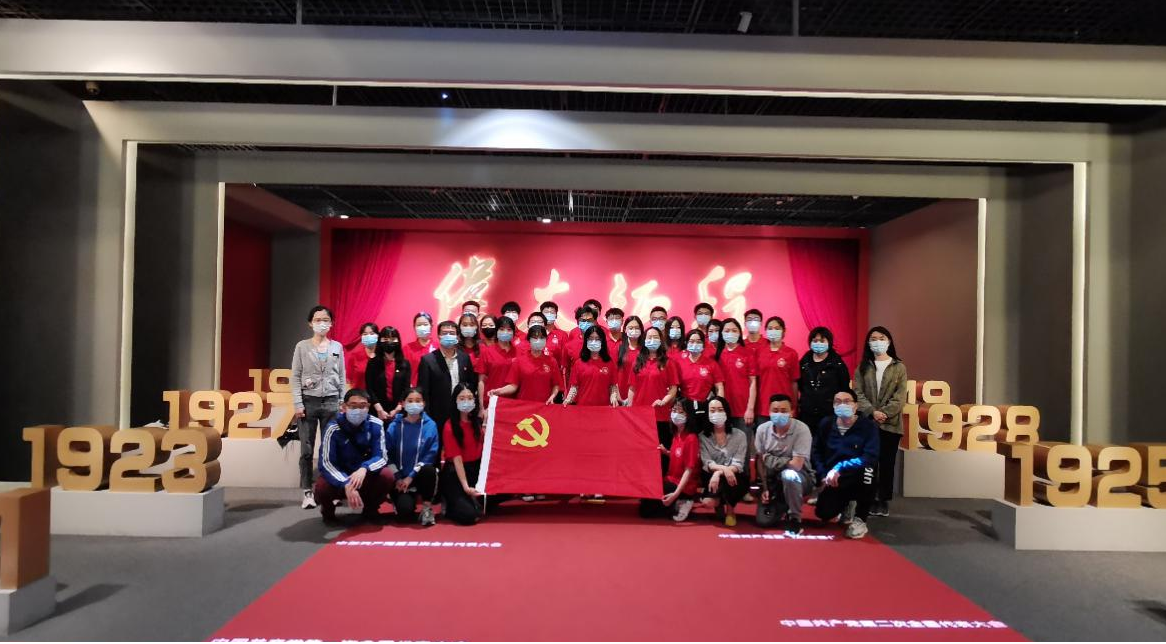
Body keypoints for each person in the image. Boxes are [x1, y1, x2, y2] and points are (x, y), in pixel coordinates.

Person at [291, 305, 346, 510]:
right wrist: (298, 403)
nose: (321, 323)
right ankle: (307, 491)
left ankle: (330, 490)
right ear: (310, 323)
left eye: (325, 320)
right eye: (317, 320)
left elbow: (341, 376)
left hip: (331, 401)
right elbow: (295, 376)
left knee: (330, 448)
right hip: (309, 402)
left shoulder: (337, 347)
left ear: (331, 323)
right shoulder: (302, 347)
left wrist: (342, 401)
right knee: (306, 449)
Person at [314, 388, 392, 523]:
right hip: (341, 475)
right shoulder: (332, 428)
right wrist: (346, 482)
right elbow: (326, 463)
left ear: (368, 407)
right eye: (353, 406)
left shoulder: (376, 424)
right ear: (344, 407)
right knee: (322, 486)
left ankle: (371, 509)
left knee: (387, 476)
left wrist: (364, 468)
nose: (358, 410)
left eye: (363, 406)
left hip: (363, 475)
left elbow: (381, 457)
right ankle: (327, 510)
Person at [853, 326, 908, 518]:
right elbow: (857, 393)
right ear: (868, 343)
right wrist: (872, 412)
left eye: (881, 338)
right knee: (869, 463)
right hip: (867, 423)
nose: (877, 342)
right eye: (873, 339)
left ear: (889, 341)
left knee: (886, 464)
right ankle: (867, 498)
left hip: (890, 424)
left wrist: (883, 413)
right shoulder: (862, 367)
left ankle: (882, 500)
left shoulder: (899, 367)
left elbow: (900, 397)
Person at [812, 388, 879, 540]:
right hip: (833, 478)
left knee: (869, 471)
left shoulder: (868, 426)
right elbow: (816, 452)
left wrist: (840, 467)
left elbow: (870, 457)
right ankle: (846, 505)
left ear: (856, 405)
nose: (842, 405)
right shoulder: (826, 424)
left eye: (847, 401)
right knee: (823, 513)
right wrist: (823, 475)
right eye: (838, 402)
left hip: (857, 474)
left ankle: (861, 519)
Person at [754, 394, 815, 535]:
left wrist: (770, 459)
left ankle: (795, 519)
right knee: (763, 521)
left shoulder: (802, 430)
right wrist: (764, 487)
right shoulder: (762, 430)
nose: (779, 414)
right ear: (769, 411)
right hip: (773, 480)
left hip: (801, 477)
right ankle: (784, 504)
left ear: (791, 412)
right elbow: (760, 461)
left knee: (789, 474)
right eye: (775, 410)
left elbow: (797, 465)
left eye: (784, 410)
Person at [626, 325, 680, 472]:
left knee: (660, 451)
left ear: (661, 340)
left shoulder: (668, 362)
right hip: (640, 415)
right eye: (649, 337)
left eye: (655, 337)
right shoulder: (637, 362)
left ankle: (661, 481)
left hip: (661, 415)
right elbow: (632, 388)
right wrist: (629, 410)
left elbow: (673, 388)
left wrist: (664, 401)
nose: (652, 340)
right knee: (641, 450)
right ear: (644, 340)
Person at [386, 388, 440, 526]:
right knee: (405, 512)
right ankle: (400, 501)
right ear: (403, 403)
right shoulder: (394, 426)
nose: (414, 404)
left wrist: (411, 476)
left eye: (418, 400)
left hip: (419, 475)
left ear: (424, 403)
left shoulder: (430, 425)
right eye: (410, 401)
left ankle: (427, 508)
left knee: (429, 470)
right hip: (400, 479)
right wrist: (398, 477)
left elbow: (430, 455)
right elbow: (388, 454)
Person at [640, 399, 700, 521]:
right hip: (670, 479)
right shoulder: (676, 434)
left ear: (688, 415)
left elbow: (688, 470)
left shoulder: (691, 438)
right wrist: (666, 452)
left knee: (646, 511)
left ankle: (683, 501)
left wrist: (675, 494)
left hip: (683, 485)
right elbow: (678, 456)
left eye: (681, 412)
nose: (676, 414)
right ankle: (676, 503)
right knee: (645, 497)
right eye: (674, 410)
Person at [416, 320, 479, 436]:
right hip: (437, 415)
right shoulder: (428, 360)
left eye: (452, 333)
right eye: (444, 333)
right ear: (439, 336)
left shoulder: (465, 358)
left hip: (461, 412)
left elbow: (471, 384)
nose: (448, 336)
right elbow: (423, 391)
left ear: (457, 336)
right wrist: (426, 417)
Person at [439, 384, 487, 525]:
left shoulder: (476, 422)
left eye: (470, 398)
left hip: (475, 470)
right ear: (455, 400)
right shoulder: (449, 426)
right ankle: (450, 505)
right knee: (469, 516)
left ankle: (475, 502)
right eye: (462, 398)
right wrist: (466, 487)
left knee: (502, 492)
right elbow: (457, 460)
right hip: (456, 473)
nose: (466, 401)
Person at [699, 396, 749, 527]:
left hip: (735, 476)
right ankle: (720, 502)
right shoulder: (703, 436)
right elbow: (707, 462)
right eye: (712, 410)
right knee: (707, 502)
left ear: (726, 412)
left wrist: (721, 472)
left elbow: (738, 463)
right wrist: (721, 470)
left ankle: (731, 511)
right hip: (711, 475)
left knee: (730, 478)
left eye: (720, 410)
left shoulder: (740, 435)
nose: (716, 413)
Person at [798, 326, 852, 437]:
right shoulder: (804, 361)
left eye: (822, 341)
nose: (818, 343)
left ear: (829, 342)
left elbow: (844, 387)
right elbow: (800, 384)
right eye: (815, 340)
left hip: (829, 413)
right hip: (807, 413)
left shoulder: (837, 363)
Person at [487, 324, 562, 404]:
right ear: (529, 340)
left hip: (544, 405)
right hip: (524, 405)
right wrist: (498, 391)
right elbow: (513, 386)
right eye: (535, 338)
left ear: (546, 340)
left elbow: (556, 384)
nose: (538, 340)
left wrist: (553, 396)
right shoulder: (519, 361)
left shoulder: (552, 361)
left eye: (541, 338)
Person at [715, 318, 757, 450]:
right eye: (727, 331)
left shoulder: (748, 353)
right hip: (723, 411)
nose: (730, 333)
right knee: (725, 449)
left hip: (743, 411)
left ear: (739, 333)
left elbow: (753, 382)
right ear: (722, 333)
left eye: (734, 330)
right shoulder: (718, 355)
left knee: (742, 450)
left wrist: (750, 409)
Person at [756, 316, 800, 423]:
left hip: (785, 407)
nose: (773, 331)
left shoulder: (791, 353)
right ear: (765, 331)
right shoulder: (759, 352)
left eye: (777, 328)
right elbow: (755, 381)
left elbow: (794, 383)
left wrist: (794, 406)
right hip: (763, 408)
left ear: (783, 331)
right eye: (770, 328)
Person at [565, 325, 619, 407]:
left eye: (597, 339)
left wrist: (613, 398)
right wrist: (568, 400)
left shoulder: (609, 362)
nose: (594, 341)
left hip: (604, 408)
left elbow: (613, 386)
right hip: (583, 407)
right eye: (590, 339)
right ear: (586, 341)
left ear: (602, 341)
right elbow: (574, 387)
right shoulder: (579, 363)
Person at [365, 326, 410, 421]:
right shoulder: (372, 363)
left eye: (393, 339)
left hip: (399, 410)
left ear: (398, 341)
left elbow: (406, 388)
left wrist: (398, 408)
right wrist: (379, 409)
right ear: (380, 341)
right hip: (377, 410)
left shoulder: (405, 364)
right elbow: (369, 388)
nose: (389, 342)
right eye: (385, 339)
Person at [478, 316, 518, 408]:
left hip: (514, 403)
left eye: (509, 329)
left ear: (513, 332)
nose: (505, 332)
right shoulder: (487, 351)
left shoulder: (519, 352)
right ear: (496, 331)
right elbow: (481, 381)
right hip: (491, 401)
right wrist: (481, 407)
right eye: (502, 329)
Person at [677, 329, 725, 402]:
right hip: (684, 405)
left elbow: (719, 387)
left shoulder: (712, 364)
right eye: (691, 341)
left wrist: (719, 403)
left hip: (705, 404)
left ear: (703, 344)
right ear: (686, 343)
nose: (695, 344)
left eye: (698, 342)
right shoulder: (679, 363)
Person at [563, 306, 599, 378]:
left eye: (589, 320)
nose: (586, 323)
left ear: (595, 322)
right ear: (577, 322)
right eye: (583, 320)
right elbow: (567, 371)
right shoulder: (569, 346)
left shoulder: (603, 344)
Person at [616, 315, 644, 402]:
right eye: (631, 328)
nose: (634, 330)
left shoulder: (645, 349)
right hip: (621, 394)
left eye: (637, 328)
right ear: (625, 329)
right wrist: (617, 395)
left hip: (640, 393)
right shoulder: (619, 347)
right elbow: (613, 372)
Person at [403, 312, 435, 386]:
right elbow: (403, 371)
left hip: (434, 389)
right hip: (414, 390)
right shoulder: (407, 348)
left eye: (425, 324)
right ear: (414, 327)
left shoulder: (438, 347)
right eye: (419, 325)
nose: (422, 327)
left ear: (431, 326)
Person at [346, 322, 379, 391]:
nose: (368, 336)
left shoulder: (383, 355)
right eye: (365, 334)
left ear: (378, 335)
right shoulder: (354, 356)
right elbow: (349, 381)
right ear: (361, 337)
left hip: (378, 395)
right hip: (359, 395)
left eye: (372, 333)